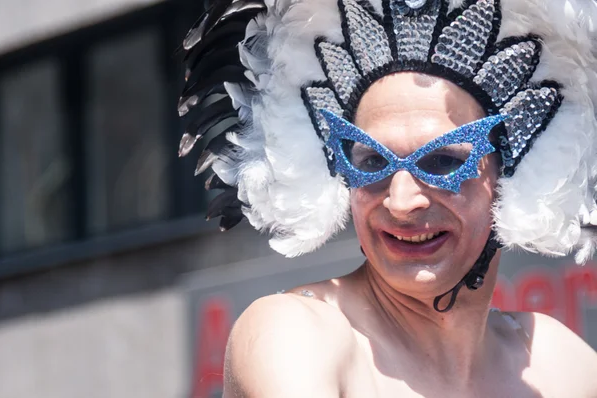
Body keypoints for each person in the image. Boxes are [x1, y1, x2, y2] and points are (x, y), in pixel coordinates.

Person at [178, 0, 597, 396]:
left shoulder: (559, 366)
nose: (401, 201)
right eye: (371, 158)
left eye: (443, 161)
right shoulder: (295, 336)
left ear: (511, 171)